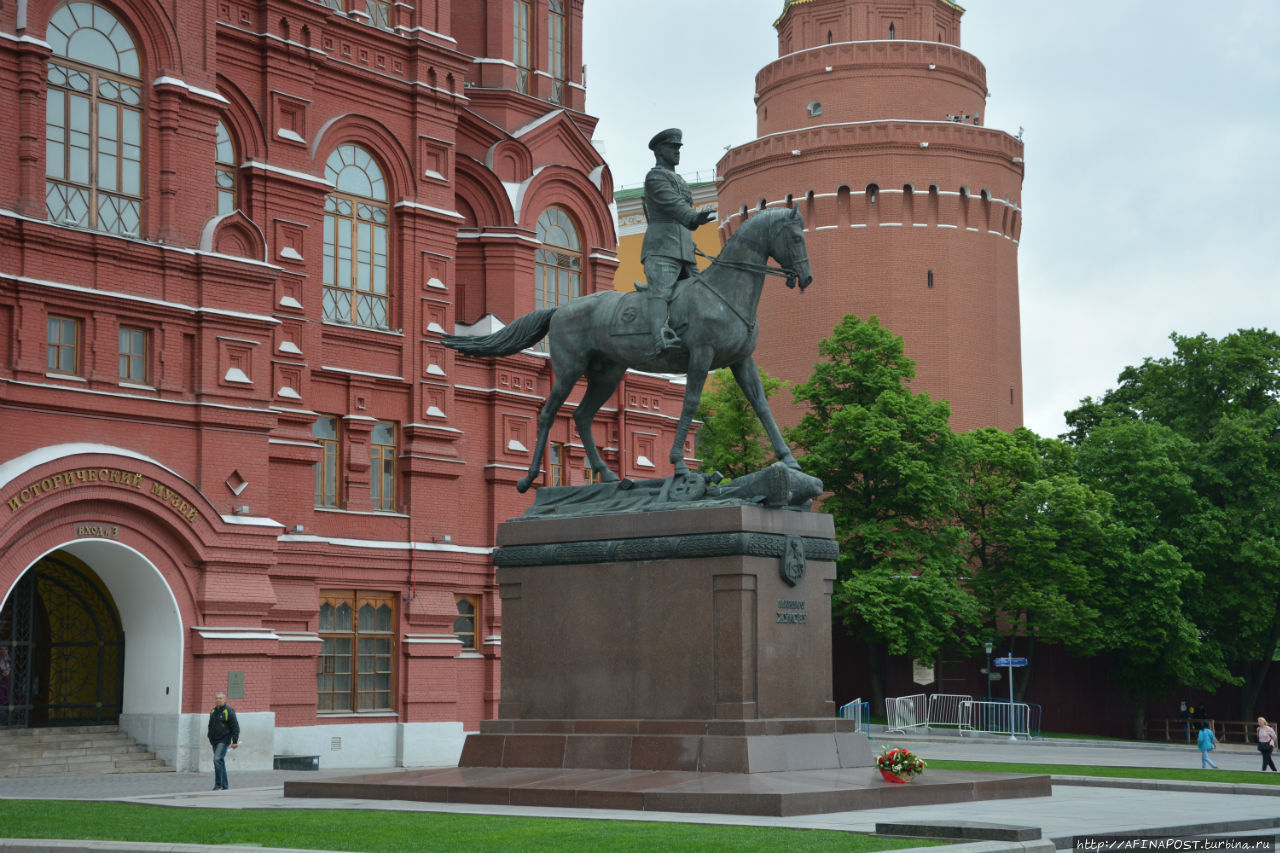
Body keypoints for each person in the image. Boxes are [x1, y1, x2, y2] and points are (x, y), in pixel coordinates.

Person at [640, 127, 716, 358]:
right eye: (672, 147)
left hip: (684, 250)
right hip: (662, 248)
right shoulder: (655, 177)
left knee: (704, 292)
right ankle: (659, 338)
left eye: (678, 148)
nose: (677, 151)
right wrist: (693, 218)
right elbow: (673, 205)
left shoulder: (681, 180)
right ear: (659, 151)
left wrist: (690, 238)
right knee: (661, 291)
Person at [208, 691, 240, 790]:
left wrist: (235, 741)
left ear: (224, 699)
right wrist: (209, 736)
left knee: (217, 759)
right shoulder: (213, 711)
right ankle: (225, 786)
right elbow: (210, 725)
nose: (218, 700)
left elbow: (235, 727)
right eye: (216, 698)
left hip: (224, 740)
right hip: (214, 740)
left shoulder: (229, 711)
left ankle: (218, 785)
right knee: (220, 761)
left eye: (220, 698)